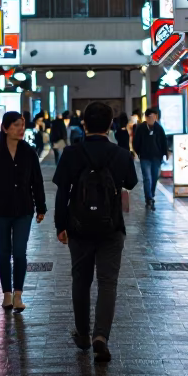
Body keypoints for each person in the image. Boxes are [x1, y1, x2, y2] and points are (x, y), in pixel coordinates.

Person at [54, 101, 138, 362]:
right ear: (111, 126)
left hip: (78, 228)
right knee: (107, 282)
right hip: (111, 228)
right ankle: (101, 335)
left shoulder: (71, 153)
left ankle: (82, 333)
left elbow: (62, 193)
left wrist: (61, 226)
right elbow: (132, 183)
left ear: (84, 124)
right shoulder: (121, 154)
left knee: (81, 280)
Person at [0, 111, 46, 310]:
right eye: (15, 125)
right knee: (4, 252)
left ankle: (18, 295)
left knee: (20, 252)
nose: (20, 129)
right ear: (5, 128)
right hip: (0, 208)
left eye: (21, 125)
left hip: (24, 208)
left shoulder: (29, 152)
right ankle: (6, 293)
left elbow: (37, 182)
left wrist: (41, 207)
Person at [132, 106, 168, 209]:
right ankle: (148, 197)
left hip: (156, 157)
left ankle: (151, 194)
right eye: (151, 117)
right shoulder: (141, 128)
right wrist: (138, 152)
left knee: (155, 176)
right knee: (147, 178)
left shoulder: (158, 128)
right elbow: (136, 142)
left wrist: (164, 153)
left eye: (155, 116)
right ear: (147, 118)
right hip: (145, 157)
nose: (153, 118)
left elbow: (163, 141)